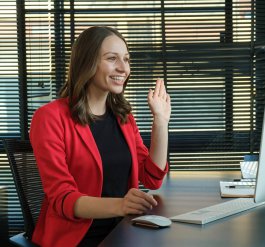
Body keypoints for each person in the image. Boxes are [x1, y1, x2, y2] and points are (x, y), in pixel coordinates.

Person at [29, 26, 171, 246]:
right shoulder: (49, 117)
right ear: (87, 63)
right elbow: (62, 198)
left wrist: (161, 121)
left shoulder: (123, 117)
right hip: (78, 238)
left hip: (123, 231)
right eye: (112, 58)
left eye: (126, 59)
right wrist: (121, 205)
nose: (123, 68)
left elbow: (152, 177)